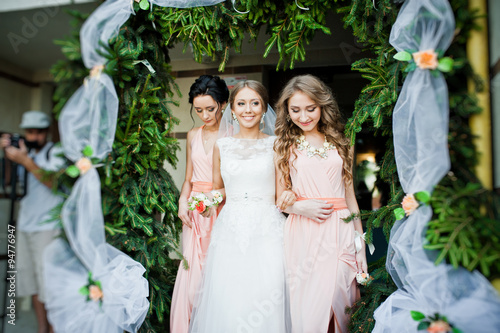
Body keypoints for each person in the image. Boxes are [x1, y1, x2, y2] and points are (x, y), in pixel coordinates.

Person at [189, 80, 291, 332]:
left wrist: (290, 196)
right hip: (230, 229)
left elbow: (282, 191)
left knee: (267, 295)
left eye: (255, 103)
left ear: (263, 107)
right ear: (232, 109)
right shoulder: (222, 146)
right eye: (242, 103)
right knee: (229, 297)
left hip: (267, 229)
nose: (248, 109)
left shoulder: (276, 145)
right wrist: (207, 200)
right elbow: (218, 189)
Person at [274, 75, 368, 333]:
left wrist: (360, 245)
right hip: (303, 231)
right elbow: (280, 198)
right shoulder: (283, 145)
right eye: (295, 110)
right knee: (309, 304)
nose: (303, 116)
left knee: (340, 294)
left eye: (310, 108)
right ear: (287, 111)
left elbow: (351, 198)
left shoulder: (341, 141)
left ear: (322, 106)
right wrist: (301, 207)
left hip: (340, 228)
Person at [170, 75, 229, 332]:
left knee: (219, 271)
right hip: (195, 211)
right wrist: (183, 202)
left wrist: (214, 200)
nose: (205, 115)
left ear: (223, 104)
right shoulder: (193, 134)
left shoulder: (234, 136)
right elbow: (187, 179)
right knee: (192, 274)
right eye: (198, 110)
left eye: (210, 108)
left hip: (222, 209)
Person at [1, 110, 63, 333]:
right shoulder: (22, 153)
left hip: (48, 226)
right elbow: (7, 183)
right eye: (29, 132)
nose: (32, 136)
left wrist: (25, 160)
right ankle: (41, 329)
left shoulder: (55, 152)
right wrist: (8, 158)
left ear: (46, 133)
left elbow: (53, 183)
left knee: (50, 285)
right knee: (35, 284)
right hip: (25, 224)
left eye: (37, 132)